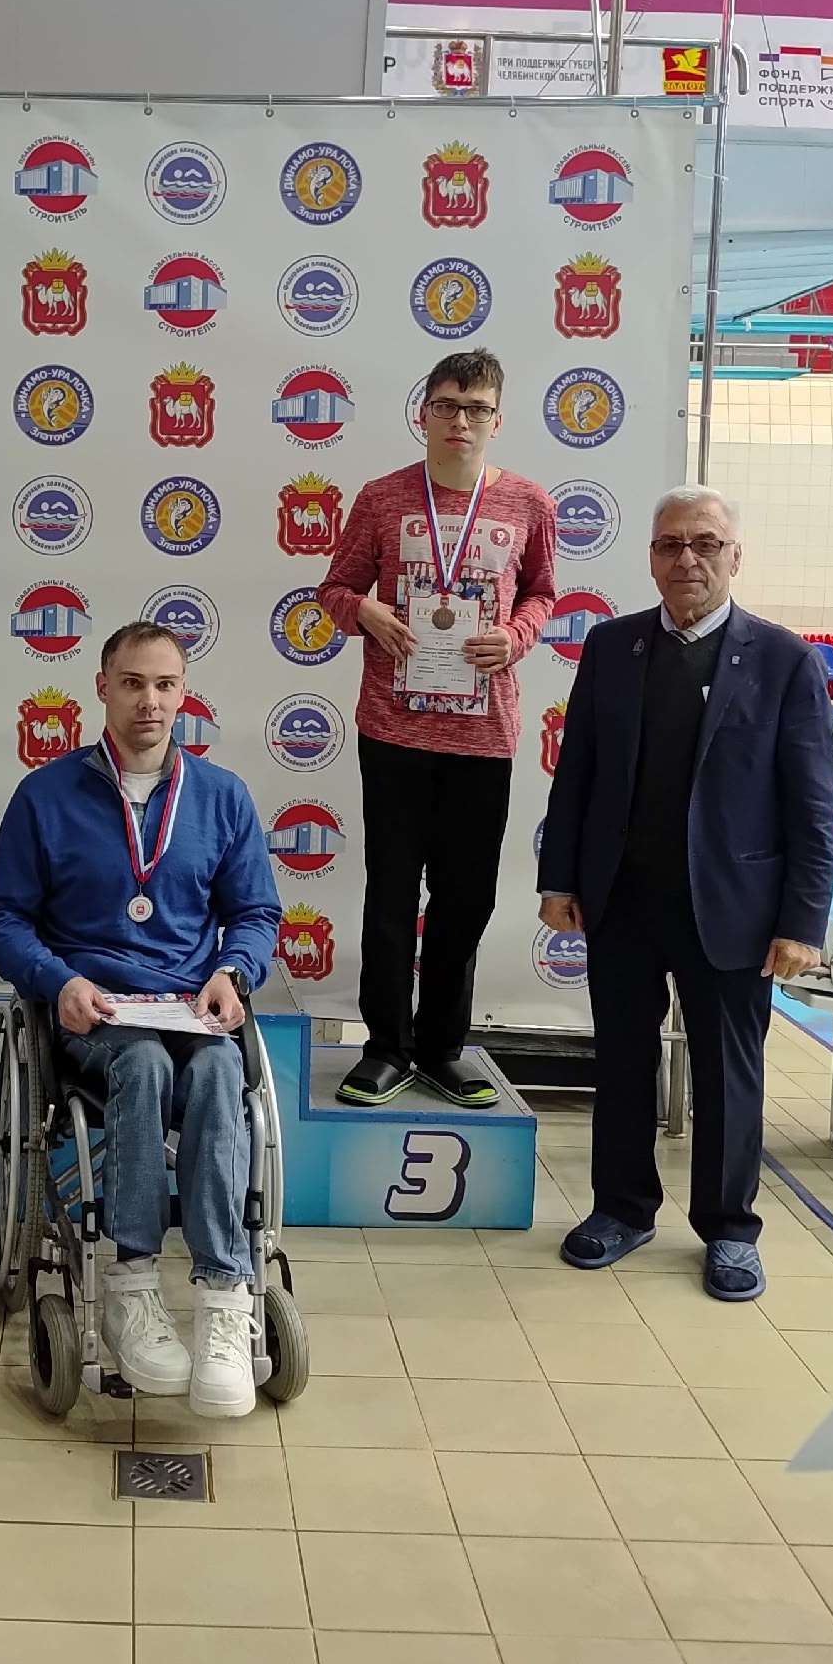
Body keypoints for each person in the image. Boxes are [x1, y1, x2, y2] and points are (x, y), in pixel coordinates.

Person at [537, 485, 833, 1301]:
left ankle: (730, 1229)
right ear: (650, 558)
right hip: (623, 900)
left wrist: (802, 922)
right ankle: (621, 1209)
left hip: (733, 910)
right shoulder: (611, 647)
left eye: (705, 543)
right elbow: (578, 773)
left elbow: (814, 806)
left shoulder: (785, 661)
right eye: (671, 544)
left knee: (729, 1076)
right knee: (622, 1063)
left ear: (735, 556)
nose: (688, 559)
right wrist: (559, 878)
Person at [0, 621, 283, 1418]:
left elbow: (256, 914)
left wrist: (232, 972)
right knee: (141, 1064)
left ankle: (224, 1296)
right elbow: (4, 920)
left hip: (189, 1005)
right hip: (97, 1013)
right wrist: (59, 980)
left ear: (183, 694)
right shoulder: (45, 796)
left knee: (220, 1068)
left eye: (165, 685)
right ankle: (132, 1283)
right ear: (103, 688)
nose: (150, 700)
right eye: (133, 683)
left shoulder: (222, 796)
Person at [316, 349, 557, 1109]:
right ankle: (386, 1048)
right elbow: (334, 589)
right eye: (447, 405)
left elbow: (544, 594)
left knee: (466, 899)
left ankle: (443, 1048)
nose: (461, 420)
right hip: (394, 731)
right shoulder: (382, 498)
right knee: (390, 896)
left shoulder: (527, 503)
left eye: (476, 408)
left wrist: (515, 635)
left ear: (497, 421)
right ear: (424, 414)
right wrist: (365, 610)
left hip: (484, 737)